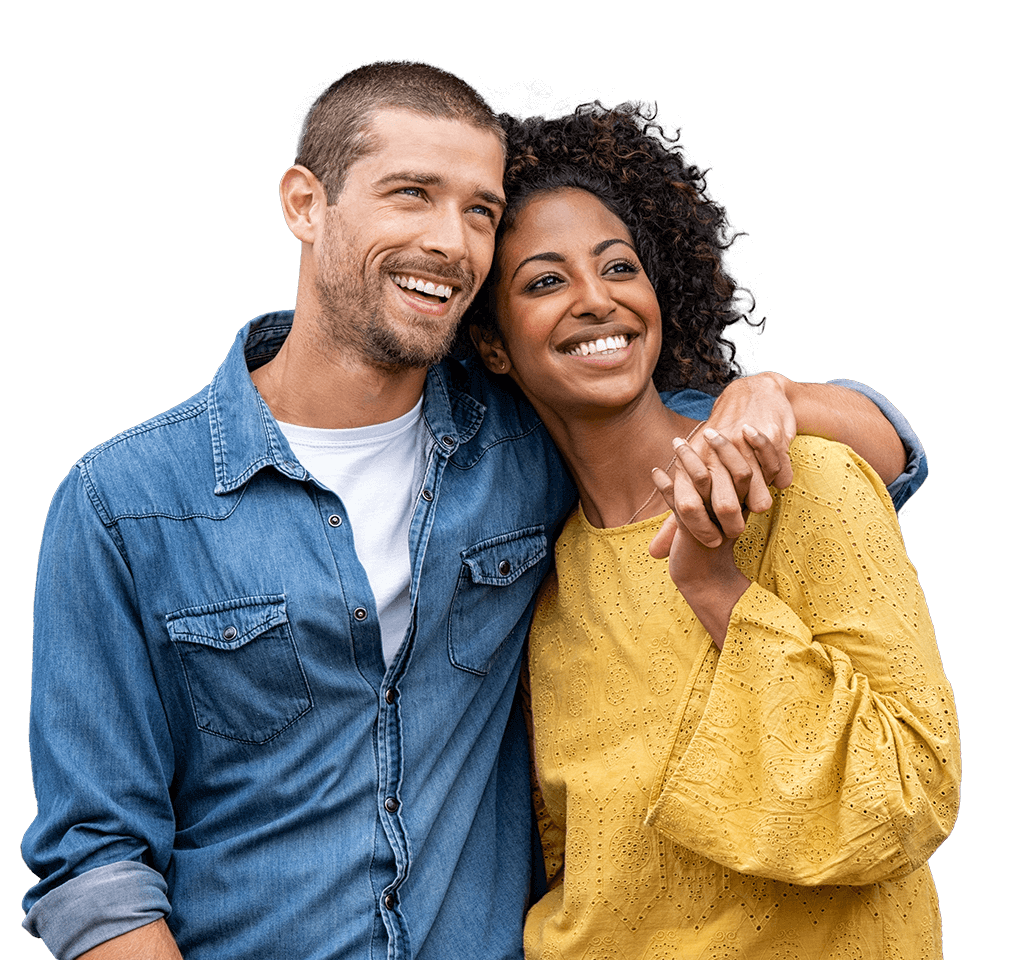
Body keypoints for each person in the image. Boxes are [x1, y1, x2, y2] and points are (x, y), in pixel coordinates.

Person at [23, 64, 927, 960]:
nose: (451, 242)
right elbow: (94, 866)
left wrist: (779, 393)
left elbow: (861, 450)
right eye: (411, 194)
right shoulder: (124, 504)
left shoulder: (527, 442)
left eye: (480, 211)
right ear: (305, 203)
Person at [469, 103, 957, 957]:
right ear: (495, 347)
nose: (595, 300)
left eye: (618, 267)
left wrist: (713, 586)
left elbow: (911, 791)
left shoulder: (806, 480)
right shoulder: (542, 586)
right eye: (544, 282)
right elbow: (576, 868)